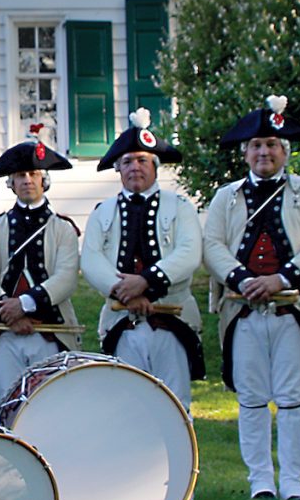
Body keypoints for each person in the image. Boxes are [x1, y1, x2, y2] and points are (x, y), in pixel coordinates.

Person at [203, 96, 300, 500]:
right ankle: (259, 478)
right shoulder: (226, 197)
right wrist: (242, 279)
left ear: (285, 152)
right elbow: (212, 245)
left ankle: (293, 480)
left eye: (272, 145)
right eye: (257, 145)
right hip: (242, 309)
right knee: (252, 396)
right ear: (245, 152)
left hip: (292, 308)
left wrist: (280, 279)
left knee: (293, 396)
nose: (264, 152)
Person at [78, 108, 207, 408]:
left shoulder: (181, 207)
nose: (135, 167)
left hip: (173, 320)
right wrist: (123, 291)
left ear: (156, 166)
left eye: (142, 160)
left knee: (176, 406)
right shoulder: (102, 212)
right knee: (128, 406)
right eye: (127, 162)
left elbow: (189, 253)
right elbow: (92, 259)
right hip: (121, 321)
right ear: (118, 169)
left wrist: (146, 282)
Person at [0, 129, 81, 403]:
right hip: (5, 331)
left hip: (52, 332)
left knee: (50, 405)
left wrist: (27, 304)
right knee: (8, 406)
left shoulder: (63, 229)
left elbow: (66, 277)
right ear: (11, 183)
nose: (27, 180)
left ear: (45, 180)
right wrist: (10, 312)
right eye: (20, 175)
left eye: (33, 174)